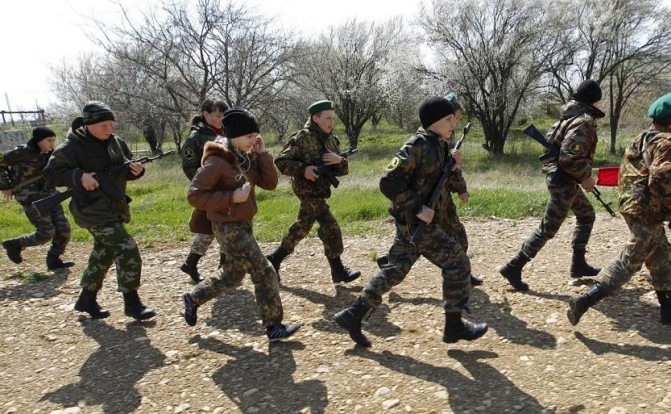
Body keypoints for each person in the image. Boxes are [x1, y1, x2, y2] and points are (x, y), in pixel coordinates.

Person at [333, 96, 488, 348]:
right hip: (417, 224)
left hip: (414, 225)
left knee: (395, 270)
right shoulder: (417, 145)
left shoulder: (438, 144)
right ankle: (454, 326)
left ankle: (354, 315)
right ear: (434, 122)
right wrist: (417, 208)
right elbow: (388, 181)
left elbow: (434, 178)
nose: (453, 124)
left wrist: (453, 166)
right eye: (449, 120)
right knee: (458, 262)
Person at [567, 90, 671, 326]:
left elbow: (628, 175)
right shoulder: (670, 143)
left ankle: (669, 307)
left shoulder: (642, 138)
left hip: (632, 206)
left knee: (662, 255)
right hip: (647, 211)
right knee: (630, 260)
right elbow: (663, 182)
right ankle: (584, 300)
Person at [182, 107, 300, 343]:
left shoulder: (247, 157)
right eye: (249, 136)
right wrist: (230, 198)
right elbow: (195, 196)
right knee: (264, 270)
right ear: (232, 136)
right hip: (226, 226)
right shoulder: (217, 160)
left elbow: (269, 183)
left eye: (256, 135)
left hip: (243, 224)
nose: (253, 140)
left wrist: (263, 153)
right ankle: (274, 326)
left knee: (233, 274)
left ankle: (193, 298)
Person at [43, 101, 155, 320]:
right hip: (91, 210)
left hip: (115, 207)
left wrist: (136, 171)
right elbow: (50, 174)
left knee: (104, 253)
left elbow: (125, 170)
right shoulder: (71, 148)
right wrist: (78, 177)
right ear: (88, 124)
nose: (109, 129)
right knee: (127, 248)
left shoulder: (117, 143)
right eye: (103, 125)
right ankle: (132, 303)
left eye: (111, 124)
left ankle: (87, 298)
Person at [499, 79, 603, 291]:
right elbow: (569, 156)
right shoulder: (583, 121)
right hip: (564, 181)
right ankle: (514, 266)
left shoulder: (569, 117)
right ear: (594, 100)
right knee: (549, 228)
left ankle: (578, 264)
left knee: (586, 214)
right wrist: (586, 176)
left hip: (564, 178)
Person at [265, 100, 360, 284]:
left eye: (333, 118)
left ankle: (274, 259)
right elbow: (281, 162)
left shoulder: (332, 140)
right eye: (327, 118)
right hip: (306, 191)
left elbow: (342, 171)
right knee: (329, 225)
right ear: (315, 118)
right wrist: (304, 170)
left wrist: (338, 161)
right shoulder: (302, 138)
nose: (331, 122)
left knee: (303, 226)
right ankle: (338, 270)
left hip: (321, 189)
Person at [1, 126, 74, 269]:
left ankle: (54, 260)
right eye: (48, 140)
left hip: (50, 195)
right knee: (46, 233)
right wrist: (5, 185)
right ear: (38, 140)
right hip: (30, 198)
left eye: (53, 140)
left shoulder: (51, 154)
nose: (52, 143)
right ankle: (15, 244)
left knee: (64, 230)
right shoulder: (20, 153)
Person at [179, 97, 229, 282]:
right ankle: (222, 267)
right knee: (221, 226)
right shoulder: (196, 137)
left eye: (223, 114)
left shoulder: (226, 132)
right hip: (211, 190)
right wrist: (205, 184)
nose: (221, 118)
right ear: (205, 114)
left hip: (227, 188)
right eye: (217, 115)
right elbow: (189, 166)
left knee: (216, 227)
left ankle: (193, 263)